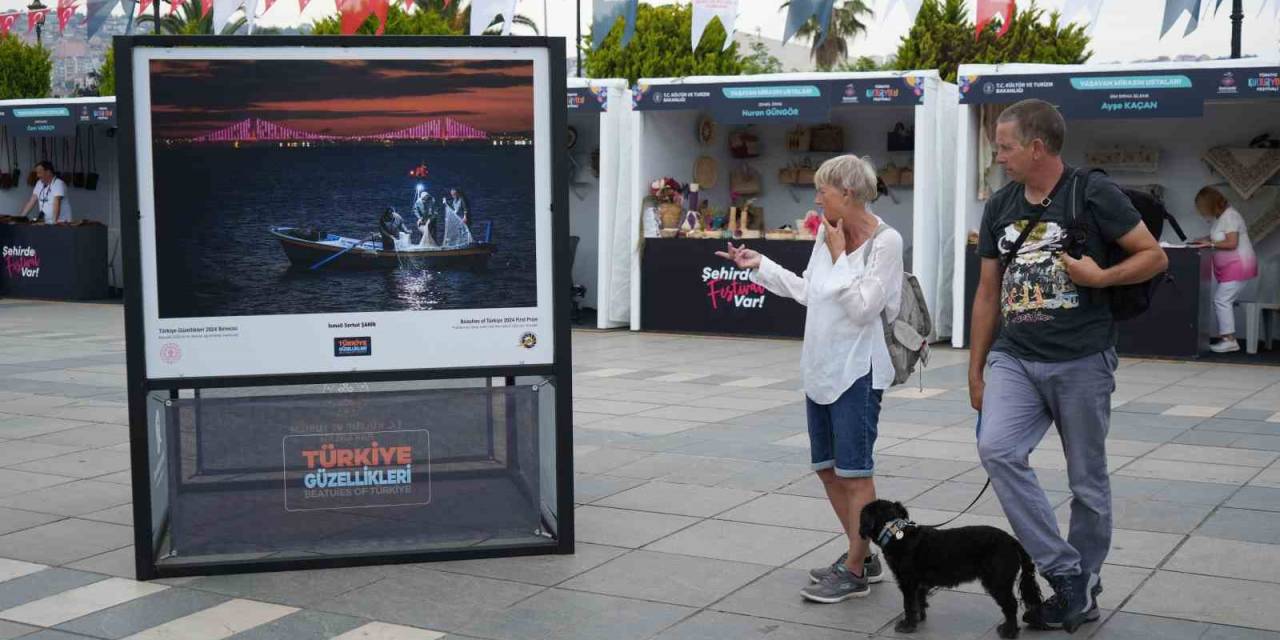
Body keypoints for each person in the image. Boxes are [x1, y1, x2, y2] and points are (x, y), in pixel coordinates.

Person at [969, 99, 1167, 633]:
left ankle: (1084, 586)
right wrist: (976, 367)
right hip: (1015, 355)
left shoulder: (1091, 191)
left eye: (1005, 147)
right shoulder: (1000, 204)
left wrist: (1099, 279)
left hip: (1081, 358)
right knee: (996, 449)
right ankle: (1066, 572)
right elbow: (988, 292)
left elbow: (1154, 255)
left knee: (1087, 483)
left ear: (1037, 147)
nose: (998, 156)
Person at [716, 155, 903, 604]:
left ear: (849, 193)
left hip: (858, 371)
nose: (817, 198)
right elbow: (809, 291)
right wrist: (760, 264)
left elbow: (862, 309)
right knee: (826, 468)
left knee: (855, 473)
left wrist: (841, 257)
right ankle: (863, 553)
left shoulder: (886, 242)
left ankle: (855, 568)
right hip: (819, 367)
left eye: (824, 190)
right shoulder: (826, 233)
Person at [1189, 187, 1257, 353]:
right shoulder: (1221, 218)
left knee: (1221, 299)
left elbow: (1231, 243)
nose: (1201, 211)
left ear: (1210, 204)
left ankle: (1229, 340)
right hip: (1231, 267)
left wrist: (1210, 244)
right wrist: (1202, 239)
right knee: (1222, 299)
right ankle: (1227, 339)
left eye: (1202, 207)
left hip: (1240, 265)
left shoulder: (1230, 216)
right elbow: (1218, 236)